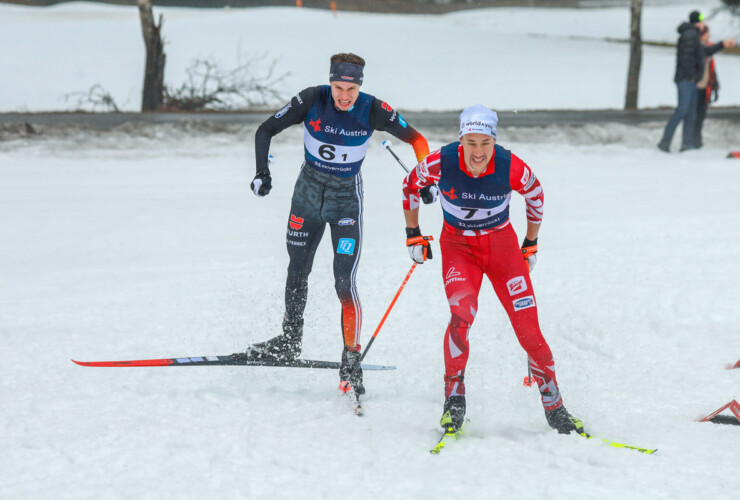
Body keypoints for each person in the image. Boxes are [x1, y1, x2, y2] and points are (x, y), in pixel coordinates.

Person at [245, 53, 434, 398]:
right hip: (306, 196)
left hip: (346, 202)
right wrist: (262, 171)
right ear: (329, 82)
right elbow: (266, 129)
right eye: (338, 87)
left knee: (344, 281)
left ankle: (351, 357)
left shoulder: (373, 108)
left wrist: (424, 178)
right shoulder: (311, 98)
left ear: (359, 86)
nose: (343, 96)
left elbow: (418, 140)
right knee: (297, 269)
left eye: (350, 88)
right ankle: (289, 340)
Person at [402, 104, 585, 435]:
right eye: (471, 143)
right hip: (458, 249)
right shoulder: (440, 162)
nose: (478, 152)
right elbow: (410, 186)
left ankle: (555, 407)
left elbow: (536, 195)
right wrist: (412, 234)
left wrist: (530, 242)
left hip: (502, 249)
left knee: (530, 332)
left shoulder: (509, 165)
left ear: (494, 142)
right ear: (461, 141)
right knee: (461, 315)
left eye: (485, 143)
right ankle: (454, 399)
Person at [658, 10, 707, 153]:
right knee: (682, 111)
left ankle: (687, 144)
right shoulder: (689, 36)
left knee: (691, 113)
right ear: (696, 22)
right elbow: (687, 59)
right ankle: (665, 142)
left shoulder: (693, 36)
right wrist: (692, 76)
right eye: (701, 21)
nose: (703, 24)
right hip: (686, 80)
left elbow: (701, 54)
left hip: (691, 80)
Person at [692, 25, 736, 149]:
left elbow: (711, 68)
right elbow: (708, 52)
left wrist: (714, 84)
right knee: (694, 116)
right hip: (696, 87)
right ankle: (692, 141)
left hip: (705, 87)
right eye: (707, 33)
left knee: (700, 115)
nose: (709, 35)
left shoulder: (706, 48)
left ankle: (697, 141)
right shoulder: (698, 48)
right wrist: (723, 44)